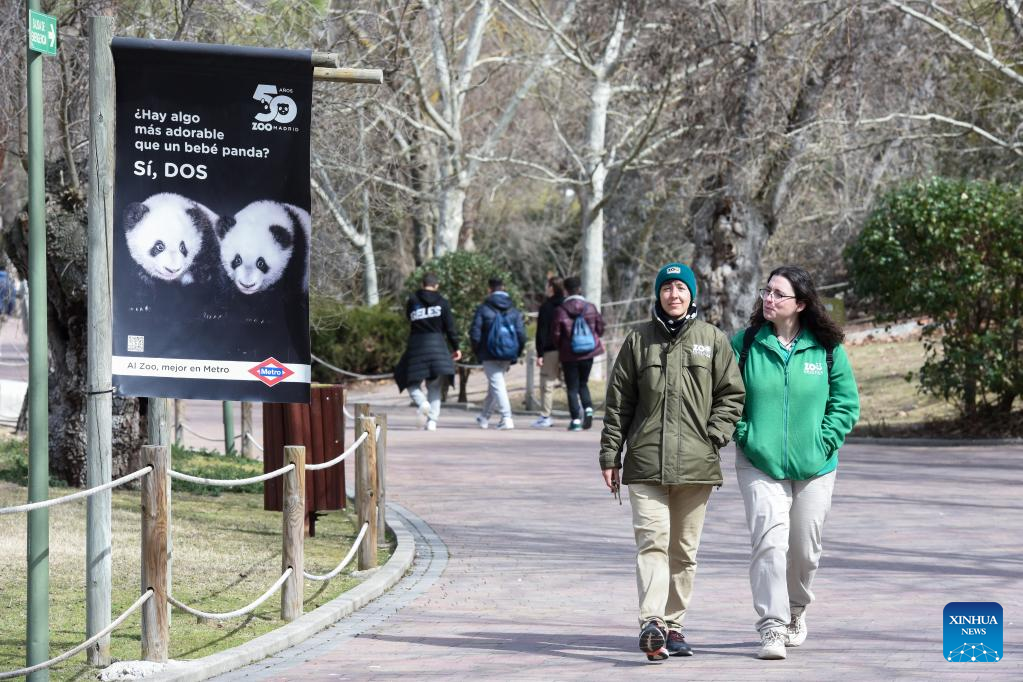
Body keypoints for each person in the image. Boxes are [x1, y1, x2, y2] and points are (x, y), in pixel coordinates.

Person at [600, 262, 745, 662]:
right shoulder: (638, 341)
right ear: (658, 294)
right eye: (667, 288)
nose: (674, 294)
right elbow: (618, 403)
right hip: (646, 463)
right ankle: (652, 622)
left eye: (681, 287)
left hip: (696, 466)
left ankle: (674, 624)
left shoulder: (712, 340)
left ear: (692, 294)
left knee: (683, 551)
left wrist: (713, 436)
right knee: (652, 542)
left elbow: (732, 395)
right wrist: (611, 455)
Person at [730, 265, 859, 660]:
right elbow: (725, 397)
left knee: (805, 550)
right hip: (759, 462)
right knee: (769, 542)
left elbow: (846, 403)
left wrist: (824, 441)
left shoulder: (827, 348)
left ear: (800, 304)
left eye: (778, 294)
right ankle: (772, 626)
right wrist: (746, 435)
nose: (768, 299)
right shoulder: (745, 344)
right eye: (766, 291)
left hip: (816, 466)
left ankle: (796, 611)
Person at [393, 273, 461, 431]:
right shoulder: (443, 302)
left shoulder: (412, 300)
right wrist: (456, 347)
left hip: (417, 346)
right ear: (436, 285)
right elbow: (450, 328)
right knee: (435, 386)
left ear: (422, 285)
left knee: (410, 381)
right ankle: (432, 421)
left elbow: (408, 318)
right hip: (438, 346)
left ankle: (422, 402)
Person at [470, 277, 526, 430]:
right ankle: (484, 417)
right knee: (495, 385)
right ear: (504, 288)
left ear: (489, 289)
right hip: (508, 351)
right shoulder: (513, 310)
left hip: (489, 352)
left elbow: (475, 333)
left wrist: (477, 350)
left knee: (497, 385)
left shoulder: (484, 308)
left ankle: (507, 418)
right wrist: (517, 351)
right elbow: (521, 334)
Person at [550, 276, 605, 431]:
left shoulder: (560, 310)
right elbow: (600, 328)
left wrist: (561, 347)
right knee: (583, 383)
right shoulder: (590, 307)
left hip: (569, 355)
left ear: (566, 290)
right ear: (579, 289)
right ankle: (588, 409)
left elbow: (556, 334)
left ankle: (575, 421)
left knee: (572, 387)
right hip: (588, 353)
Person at [531, 276, 566, 428]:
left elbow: (541, 332)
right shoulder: (568, 304)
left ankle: (545, 416)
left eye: (547, 285)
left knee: (547, 384)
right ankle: (579, 414)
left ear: (551, 287)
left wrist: (540, 353)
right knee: (571, 384)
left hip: (550, 350)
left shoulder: (546, 307)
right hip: (568, 350)